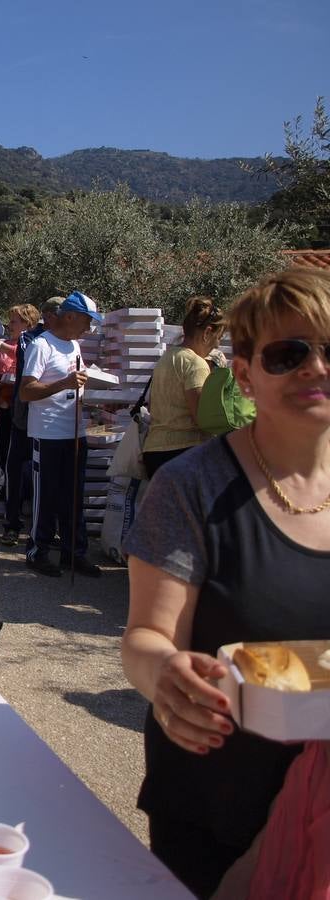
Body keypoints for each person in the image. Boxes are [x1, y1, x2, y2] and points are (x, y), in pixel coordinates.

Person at [120, 266, 330, 898]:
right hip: (219, 805)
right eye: (288, 354)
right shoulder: (192, 487)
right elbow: (149, 637)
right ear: (242, 374)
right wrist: (167, 678)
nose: (316, 369)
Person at [20, 290, 101, 578]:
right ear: (70, 316)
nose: (88, 328)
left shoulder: (74, 347)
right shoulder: (41, 346)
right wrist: (64, 384)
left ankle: (73, 553)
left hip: (74, 431)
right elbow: (26, 391)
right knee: (47, 496)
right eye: (86, 321)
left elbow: (73, 382)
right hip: (49, 433)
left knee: (73, 496)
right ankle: (38, 551)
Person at [141, 296, 226, 478]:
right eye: (218, 338)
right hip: (184, 452)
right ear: (207, 332)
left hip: (154, 452)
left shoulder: (166, 358)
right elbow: (202, 419)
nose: (218, 345)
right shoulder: (195, 363)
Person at [3, 297, 62, 546]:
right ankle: (12, 524)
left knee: (48, 474)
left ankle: (47, 526)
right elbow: (22, 352)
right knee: (14, 470)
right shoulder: (30, 339)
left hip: (52, 420)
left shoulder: (65, 342)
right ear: (49, 316)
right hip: (24, 417)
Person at [0, 304, 40, 475]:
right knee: (2, 447)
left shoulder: (33, 344)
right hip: (2, 407)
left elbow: (22, 352)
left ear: (27, 324)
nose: (9, 325)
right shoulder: (3, 345)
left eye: (14, 322)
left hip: (23, 408)